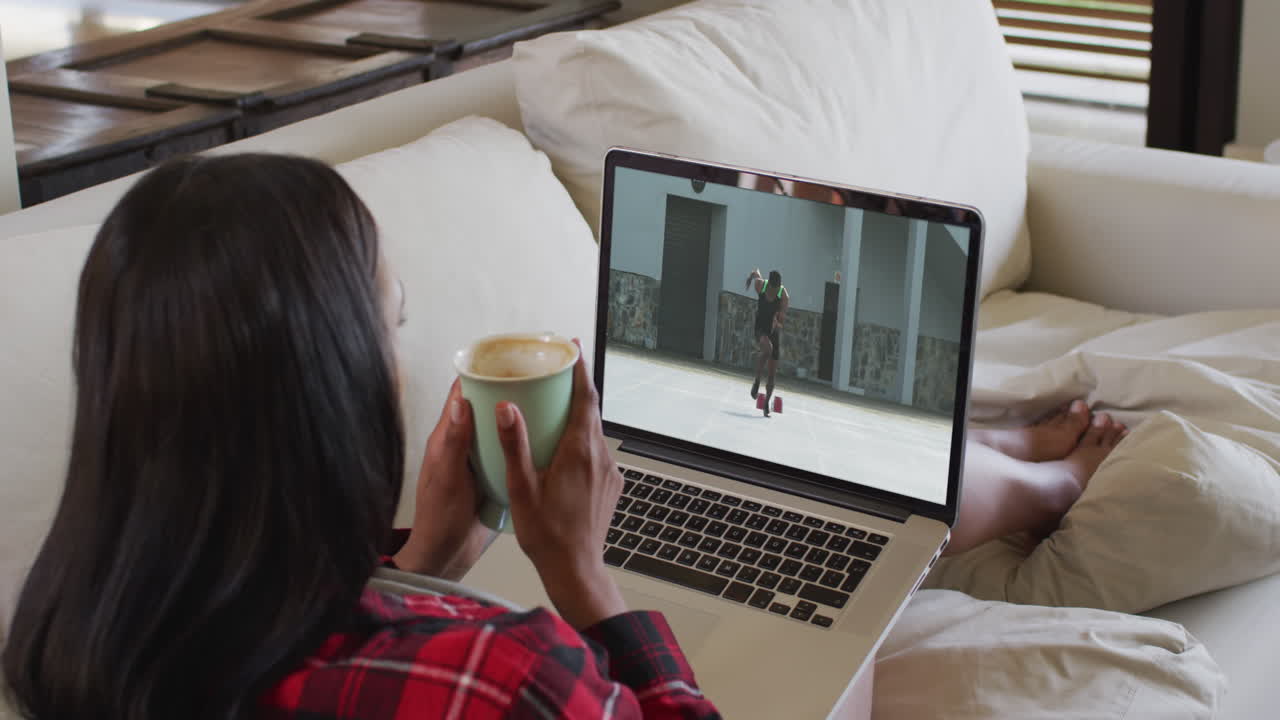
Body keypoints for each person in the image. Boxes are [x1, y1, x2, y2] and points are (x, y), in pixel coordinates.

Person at [1, 155, 722, 720]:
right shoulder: (509, 680)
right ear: (336, 381)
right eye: (392, 324)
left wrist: (419, 564)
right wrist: (586, 578)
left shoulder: (65, 646)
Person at [745, 268, 789, 416]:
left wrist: (778, 321)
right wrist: (749, 278)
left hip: (773, 330)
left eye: (776, 289)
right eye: (772, 289)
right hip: (760, 328)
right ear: (768, 284)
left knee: (771, 374)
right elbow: (756, 272)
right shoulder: (760, 285)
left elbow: (782, 320)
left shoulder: (783, 295)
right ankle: (757, 381)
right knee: (767, 349)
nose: (774, 292)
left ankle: (765, 406)